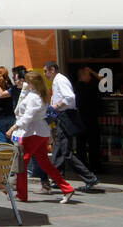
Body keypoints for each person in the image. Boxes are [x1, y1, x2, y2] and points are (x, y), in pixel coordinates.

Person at [11, 70, 76, 204]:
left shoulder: (34, 97)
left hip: (33, 133)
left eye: (26, 81)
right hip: (39, 133)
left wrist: (14, 127)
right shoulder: (36, 94)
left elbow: (27, 116)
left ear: (31, 83)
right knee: (45, 163)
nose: (24, 83)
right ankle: (67, 188)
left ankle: (22, 194)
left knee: (22, 163)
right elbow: (19, 109)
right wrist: (24, 90)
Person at [44, 60, 101, 192]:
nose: (45, 74)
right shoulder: (57, 80)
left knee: (65, 151)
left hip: (65, 116)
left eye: (46, 71)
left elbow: (69, 97)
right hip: (62, 116)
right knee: (58, 148)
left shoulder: (60, 80)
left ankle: (89, 177)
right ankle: (58, 179)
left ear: (52, 70)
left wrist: (54, 107)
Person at [75, 66, 104, 174]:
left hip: (81, 120)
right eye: (88, 75)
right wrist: (92, 71)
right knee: (93, 144)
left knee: (81, 145)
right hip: (89, 120)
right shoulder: (88, 87)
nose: (90, 77)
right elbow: (103, 81)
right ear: (82, 76)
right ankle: (95, 167)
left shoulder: (76, 87)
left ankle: (82, 167)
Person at [0, 66, 18, 143]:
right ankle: (14, 154)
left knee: (2, 141)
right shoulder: (11, 87)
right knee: (13, 140)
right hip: (11, 116)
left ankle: (5, 155)